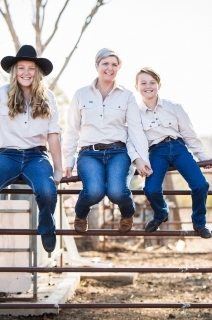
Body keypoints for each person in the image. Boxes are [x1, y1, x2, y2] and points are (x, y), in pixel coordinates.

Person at [0, 45, 62, 253]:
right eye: (21, 68)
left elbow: (53, 135)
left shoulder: (48, 97)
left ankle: (47, 227)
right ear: (15, 71)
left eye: (31, 68)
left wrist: (58, 168)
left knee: (48, 191)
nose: (26, 72)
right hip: (8, 155)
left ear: (37, 72)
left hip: (37, 156)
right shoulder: (0, 95)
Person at [63, 48, 153, 234]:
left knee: (117, 192)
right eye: (105, 63)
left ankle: (127, 213)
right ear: (97, 66)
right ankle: (80, 214)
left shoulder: (127, 95)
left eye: (114, 65)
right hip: (89, 153)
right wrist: (68, 161)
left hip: (118, 152)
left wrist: (142, 158)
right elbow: (71, 129)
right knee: (94, 191)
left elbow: (135, 129)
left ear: (118, 68)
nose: (109, 68)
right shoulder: (81, 94)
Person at [135, 67, 212, 238]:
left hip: (179, 148)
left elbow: (188, 133)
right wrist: (140, 160)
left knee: (201, 185)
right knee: (150, 189)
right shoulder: (134, 114)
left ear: (159, 85)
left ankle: (199, 222)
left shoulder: (174, 107)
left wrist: (201, 155)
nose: (148, 86)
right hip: (156, 151)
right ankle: (161, 213)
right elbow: (136, 140)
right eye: (143, 83)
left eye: (152, 82)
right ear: (137, 87)